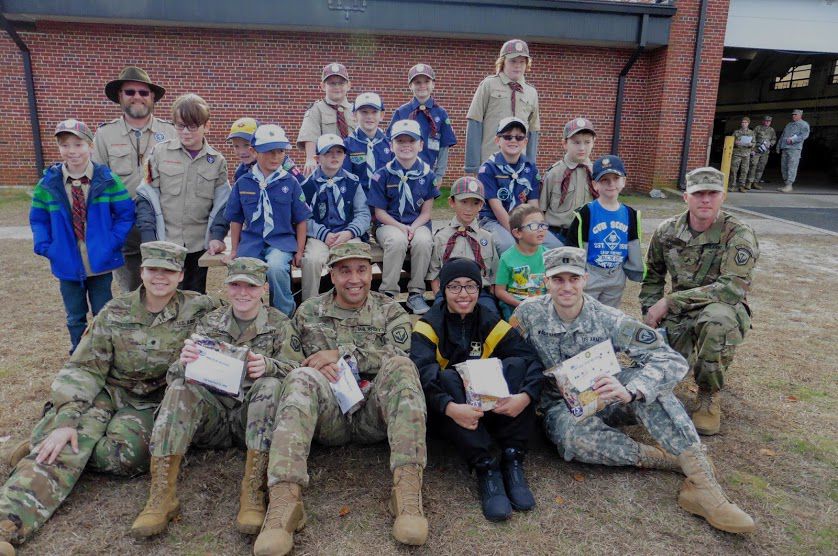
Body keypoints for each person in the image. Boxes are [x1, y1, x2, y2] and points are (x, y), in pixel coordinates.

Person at [512, 246, 756, 534]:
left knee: (653, 388)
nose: (566, 287)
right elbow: (508, 352)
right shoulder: (529, 313)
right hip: (560, 404)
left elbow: (669, 358)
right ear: (546, 282)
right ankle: (668, 461)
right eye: (558, 279)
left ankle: (704, 486)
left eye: (574, 278)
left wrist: (632, 390)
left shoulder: (608, 318)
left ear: (585, 280)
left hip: (610, 396)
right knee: (571, 440)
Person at [0, 241, 219, 556]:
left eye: (168, 271)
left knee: (123, 457)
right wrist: (66, 420)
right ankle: (8, 525)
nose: (160, 277)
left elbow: (240, 320)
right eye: (153, 269)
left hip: (151, 401)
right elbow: (85, 369)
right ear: (141, 271)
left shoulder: (200, 308)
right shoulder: (115, 311)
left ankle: (43, 437)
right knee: (66, 442)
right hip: (108, 392)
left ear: (181, 275)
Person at [253, 243, 428, 556]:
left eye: (361, 269)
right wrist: (313, 367)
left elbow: (403, 354)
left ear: (370, 273)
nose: (354, 278)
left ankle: (407, 494)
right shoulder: (308, 313)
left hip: (374, 411)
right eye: (344, 270)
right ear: (331, 274)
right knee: (300, 378)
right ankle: (284, 504)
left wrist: (345, 356)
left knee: (402, 368)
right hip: (328, 415)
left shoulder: (389, 310)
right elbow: (292, 363)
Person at [131, 257, 303, 538]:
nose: (242, 292)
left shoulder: (279, 324)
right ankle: (162, 495)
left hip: (254, 419)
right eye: (235, 285)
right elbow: (176, 375)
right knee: (179, 390)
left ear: (263, 288)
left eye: (250, 286)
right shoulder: (210, 322)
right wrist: (183, 363)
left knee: (270, 385)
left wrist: (269, 366)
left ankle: (253, 492)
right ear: (226, 287)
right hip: (212, 418)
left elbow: (298, 369)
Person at [411, 258, 542, 522]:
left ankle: (512, 457)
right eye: (455, 287)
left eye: (470, 286)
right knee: (447, 377)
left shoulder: (490, 321)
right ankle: (485, 467)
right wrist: (450, 407)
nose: (463, 294)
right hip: (454, 413)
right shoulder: (428, 325)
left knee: (516, 364)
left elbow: (530, 359)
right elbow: (421, 372)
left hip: (493, 408)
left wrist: (525, 397)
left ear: (479, 290)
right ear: (443, 290)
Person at [640, 167, 759, 436]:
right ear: (686, 197)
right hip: (680, 312)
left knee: (715, 321)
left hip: (721, 308)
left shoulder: (738, 234)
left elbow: (732, 289)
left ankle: (708, 396)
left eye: (712, 193)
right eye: (698, 194)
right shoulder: (667, 230)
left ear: (723, 197)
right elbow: (653, 276)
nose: (705, 199)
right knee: (658, 377)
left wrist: (669, 302)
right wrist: (650, 313)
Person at [29, 119, 135, 353]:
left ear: (90, 146)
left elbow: (125, 214)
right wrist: (46, 246)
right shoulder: (48, 184)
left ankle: (103, 353)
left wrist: (112, 242)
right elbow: (38, 219)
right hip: (67, 261)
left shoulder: (107, 180)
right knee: (75, 315)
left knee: (102, 312)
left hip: (99, 262)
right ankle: (79, 355)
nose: (72, 151)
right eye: (65, 145)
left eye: (78, 144)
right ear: (59, 148)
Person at [135, 93, 230, 294]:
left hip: (198, 244)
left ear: (207, 126)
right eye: (180, 126)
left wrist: (217, 235)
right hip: (165, 240)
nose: (186, 132)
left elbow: (223, 204)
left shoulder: (217, 161)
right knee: (163, 295)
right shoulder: (159, 153)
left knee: (194, 298)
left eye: (193, 126)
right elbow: (146, 198)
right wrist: (149, 238)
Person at [93, 66, 176, 292]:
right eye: (130, 92)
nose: (137, 97)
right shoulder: (105, 134)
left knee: (164, 282)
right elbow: (97, 183)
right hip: (123, 220)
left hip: (163, 219)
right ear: (120, 96)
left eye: (143, 92)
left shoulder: (171, 132)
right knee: (131, 286)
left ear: (152, 98)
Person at [224, 124, 311, 316]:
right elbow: (236, 220)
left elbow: (302, 219)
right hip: (252, 241)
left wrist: (299, 250)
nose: (276, 157)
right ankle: (251, 314)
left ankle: (283, 316)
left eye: (280, 151)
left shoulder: (290, 182)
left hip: (281, 242)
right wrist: (234, 250)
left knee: (277, 268)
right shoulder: (243, 183)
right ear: (254, 152)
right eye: (269, 152)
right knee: (244, 271)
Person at [368, 119, 438, 315]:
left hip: (418, 223)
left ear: (420, 145)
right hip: (388, 224)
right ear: (391, 145)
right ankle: (388, 294)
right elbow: (379, 213)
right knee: (397, 241)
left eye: (411, 141)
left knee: (424, 241)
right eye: (400, 141)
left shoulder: (428, 175)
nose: (406, 145)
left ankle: (416, 293)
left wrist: (413, 228)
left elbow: (426, 212)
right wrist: (401, 227)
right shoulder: (381, 175)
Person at [565, 155, 642, 308]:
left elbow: (633, 245)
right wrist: (575, 274)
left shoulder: (630, 214)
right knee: (585, 312)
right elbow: (573, 246)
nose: (611, 184)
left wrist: (636, 270)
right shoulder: (585, 213)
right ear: (595, 185)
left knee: (609, 315)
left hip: (616, 274)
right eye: (605, 180)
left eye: (616, 178)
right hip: (590, 273)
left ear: (624, 181)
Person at [300, 134, 370, 300]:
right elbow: (302, 218)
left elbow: (363, 213)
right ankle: (309, 304)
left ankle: (356, 301)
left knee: (356, 258)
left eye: (339, 152)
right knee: (312, 260)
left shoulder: (353, 182)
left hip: (348, 234)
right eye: (328, 152)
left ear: (345, 156)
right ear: (317, 158)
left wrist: (349, 232)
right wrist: (324, 234)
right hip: (319, 236)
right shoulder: (307, 185)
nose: (334, 156)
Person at [477, 117, 559, 255]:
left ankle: (541, 275)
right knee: (508, 246)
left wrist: (536, 229)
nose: (513, 140)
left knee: (555, 246)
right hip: (493, 220)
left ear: (525, 142)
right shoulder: (488, 169)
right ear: (498, 140)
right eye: (507, 136)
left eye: (519, 137)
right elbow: (497, 209)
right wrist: (520, 235)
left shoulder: (530, 168)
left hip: (523, 220)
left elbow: (533, 205)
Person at [465, 39, 540, 173]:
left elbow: (533, 132)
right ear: (503, 61)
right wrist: (472, 167)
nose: (517, 66)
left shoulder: (531, 92)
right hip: (490, 163)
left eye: (522, 62)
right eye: (513, 61)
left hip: (518, 165)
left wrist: (530, 167)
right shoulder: (488, 85)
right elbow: (475, 124)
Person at [427, 176, 499, 314]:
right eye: (464, 202)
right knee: (438, 318)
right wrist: (440, 296)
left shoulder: (487, 238)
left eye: (475, 203)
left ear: (481, 206)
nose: (469, 208)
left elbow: (494, 274)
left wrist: (489, 297)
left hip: (480, 292)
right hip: (449, 291)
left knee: (491, 316)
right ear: (452, 202)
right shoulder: (441, 237)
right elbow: (434, 273)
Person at [388, 64, 457, 185]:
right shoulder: (401, 112)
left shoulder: (441, 114)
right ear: (410, 86)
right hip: (401, 172)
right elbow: (390, 143)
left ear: (433, 84)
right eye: (417, 82)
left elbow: (444, 147)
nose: (422, 86)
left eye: (426, 81)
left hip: (428, 174)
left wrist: (439, 175)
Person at [539, 117, 597, 245]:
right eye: (576, 142)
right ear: (564, 144)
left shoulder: (597, 174)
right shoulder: (554, 173)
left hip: (587, 237)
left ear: (594, 142)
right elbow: (540, 209)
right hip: (557, 236)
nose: (582, 147)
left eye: (587, 142)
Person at [297, 63, 356, 177]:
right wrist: (310, 159)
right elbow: (310, 135)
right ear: (323, 86)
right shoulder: (316, 109)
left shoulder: (356, 110)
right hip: (327, 165)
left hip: (353, 164)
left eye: (341, 83)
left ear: (349, 85)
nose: (337, 87)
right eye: (332, 83)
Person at [493, 204, 548, 320]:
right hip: (515, 307)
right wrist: (521, 305)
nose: (540, 229)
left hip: (543, 306)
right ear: (517, 233)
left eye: (543, 224)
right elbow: (499, 291)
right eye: (533, 225)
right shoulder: (507, 258)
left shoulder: (549, 256)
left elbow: (553, 285)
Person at [343, 92, 393, 194]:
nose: (369, 116)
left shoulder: (390, 144)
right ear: (354, 115)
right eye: (364, 112)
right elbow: (346, 178)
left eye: (374, 112)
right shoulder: (346, 145)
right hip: (357, 201)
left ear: (382, 115)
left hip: (385, 198)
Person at [777, 109, 811, 193]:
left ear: (800, 115)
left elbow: (804, 135)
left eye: (795, 115)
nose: (793, 116)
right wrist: (778, 146)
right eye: (793, 114)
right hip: (785, 148)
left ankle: (789, 185)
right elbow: (783, 136)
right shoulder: (789, 124)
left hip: (794, 149)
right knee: (784, 167)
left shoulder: (804, 124)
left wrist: (793, 140)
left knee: (792, 167)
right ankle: (786, 184)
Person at [746, 115, 776, 190]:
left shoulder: (771, 130)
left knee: (761, 167)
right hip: (756, 150)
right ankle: (749, 182)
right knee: (753, 165)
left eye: (769, 121)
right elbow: (752, 138)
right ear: (763, 121)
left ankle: (756, 182)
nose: (767, 122)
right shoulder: (758, 128)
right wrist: (752, 149)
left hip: (765, 151)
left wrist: (770, 143)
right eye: (766, 121)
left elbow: (774, 139)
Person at [729, 117, 754, 193]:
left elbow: (754, 143)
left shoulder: (751, 133)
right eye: (743, 122)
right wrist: (735, 142)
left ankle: (741, 186)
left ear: (748, 123)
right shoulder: (736, 132)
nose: (744, 124)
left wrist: (751, 144)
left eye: (745, 122)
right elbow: (730, 141)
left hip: (746, 154)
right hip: (737, 153)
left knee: (744, 171)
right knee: (734, 170)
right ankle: (732, 186)